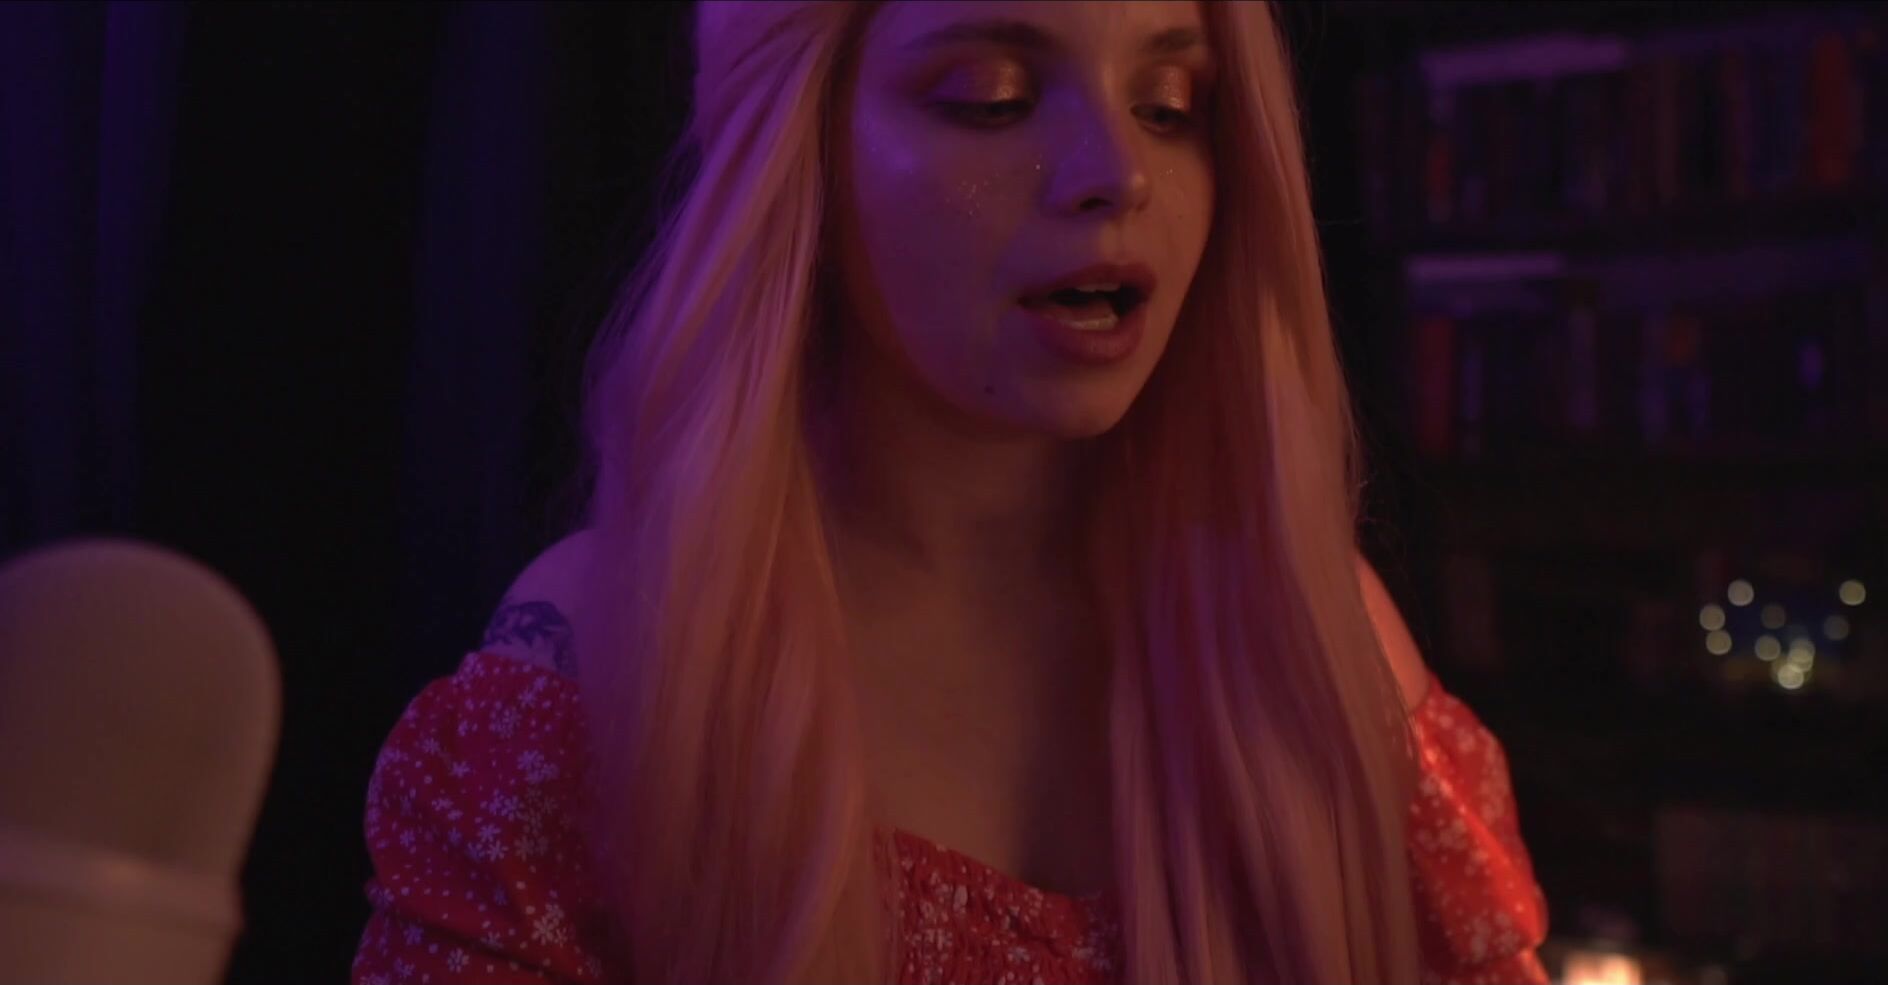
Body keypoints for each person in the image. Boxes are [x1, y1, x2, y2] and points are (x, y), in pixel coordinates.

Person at [352, 2, 1551, 983]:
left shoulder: (1313, 633)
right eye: (993, 97)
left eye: (1168, 105)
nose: (1117, 173)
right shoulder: (604, 665)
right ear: (798, 145)